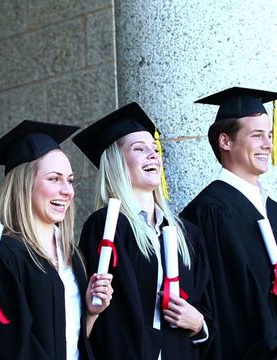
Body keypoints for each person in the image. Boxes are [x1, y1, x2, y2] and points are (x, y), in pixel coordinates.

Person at [73, 103, 215, 359]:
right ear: (116, 163)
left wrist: (198, 324)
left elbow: (208, 306)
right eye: (139, 149)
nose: (153, 154)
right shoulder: (105, 226)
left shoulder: (186, 233)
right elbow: (102, 316)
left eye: (155, 148)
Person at [180, 87, 277, 359]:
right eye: (257, 135)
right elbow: (218, 301)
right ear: (225, 141)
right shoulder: (208, 211)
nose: (268, 145)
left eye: (270, 135)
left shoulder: (273, 209)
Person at [0, 120, 113, 359]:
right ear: (25, 185)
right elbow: (5, 349)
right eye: (54, 179)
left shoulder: (71, 254)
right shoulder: (4, 257)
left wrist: (91, 312)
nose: (68, 191)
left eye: (69, 180)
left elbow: (73, 342)